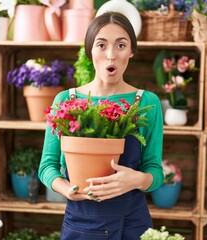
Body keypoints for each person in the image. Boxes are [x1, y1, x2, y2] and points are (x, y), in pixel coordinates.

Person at [38, 11, 164, 239]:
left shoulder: (147, 103)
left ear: (132, 51)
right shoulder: (67, 101)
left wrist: (137, 179)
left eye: (121, 45)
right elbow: (47, 167)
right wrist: (68, 190)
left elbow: (155, 170)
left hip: (133, 224)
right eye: (101, 45)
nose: (111, 55)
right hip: (82, 224)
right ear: (90, 50)